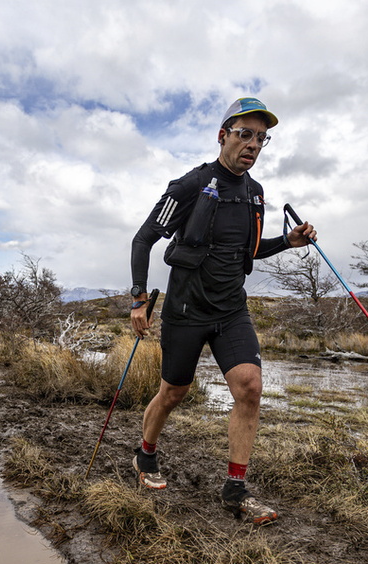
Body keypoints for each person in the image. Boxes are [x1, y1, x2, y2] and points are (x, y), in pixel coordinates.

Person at [128, 96, 317, 525]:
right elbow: (144, 239)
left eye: (261, 139)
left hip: (231, 309)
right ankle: (145, 456)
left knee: (249, 387)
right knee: (173, 393)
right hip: (185, 309)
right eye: (244, 134)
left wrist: (287, 242)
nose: (252, 144)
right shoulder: (190, 185)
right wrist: (139, 299)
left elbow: (248, 251)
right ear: (223, 136)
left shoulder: (255, 194)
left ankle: (236, 491)